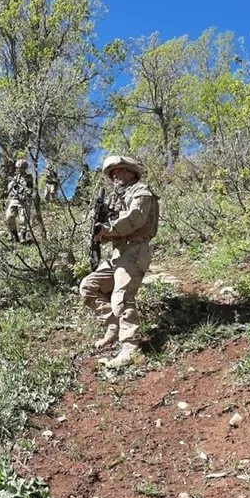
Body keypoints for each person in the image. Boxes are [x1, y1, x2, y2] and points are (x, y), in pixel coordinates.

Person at [79, 155, 159, 368]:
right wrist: (101, 233)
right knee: (89, 287)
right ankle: (113, 327)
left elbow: (135, 218)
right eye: (111, 172)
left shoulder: (141, 191)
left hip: (136, 250)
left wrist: (109, 229)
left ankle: (130, 348)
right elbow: (114, 227)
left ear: (131, 171)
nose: (115, 175)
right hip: (119, 253)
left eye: (119, 170)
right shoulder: (117, 197)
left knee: (122, 297)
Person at [5, 159, 34, 243]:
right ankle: (14, 235)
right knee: (9, 216)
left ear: (25, 168)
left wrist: (24, 195)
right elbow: (9, 188)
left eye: (22, 168)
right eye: (18, 168)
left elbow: (29, 190)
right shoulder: (14, 178)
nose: (20, 169)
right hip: (14, 199)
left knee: (23, 220)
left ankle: (22, 237)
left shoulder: (28, 178)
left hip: (24, 200)